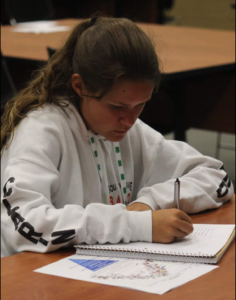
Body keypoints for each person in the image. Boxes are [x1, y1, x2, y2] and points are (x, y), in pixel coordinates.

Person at [1, 16, 234, 258]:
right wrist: (138, 224)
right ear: (80, 86)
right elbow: (23, 225)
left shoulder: (130, 131)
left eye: (140, 105)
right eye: (116, 106)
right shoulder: (42, 131)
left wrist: (149, 203)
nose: (129, 120)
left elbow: (218, 179)